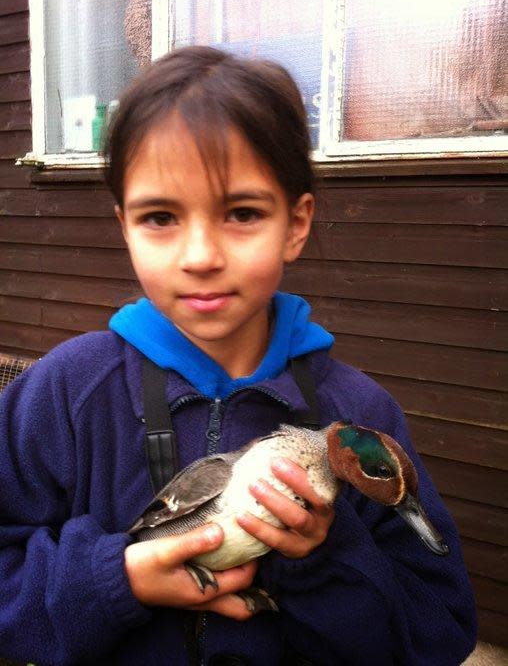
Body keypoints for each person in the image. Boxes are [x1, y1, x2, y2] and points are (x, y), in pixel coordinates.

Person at [0, 46, 476, 665]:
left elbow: (437, 631)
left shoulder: (359, 418)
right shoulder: (62, 393)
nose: (201, 255)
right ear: (124, 226)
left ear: (296, 224)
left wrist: (323, 560)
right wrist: (116, 581)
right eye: (160, 216)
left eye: (242, 213)